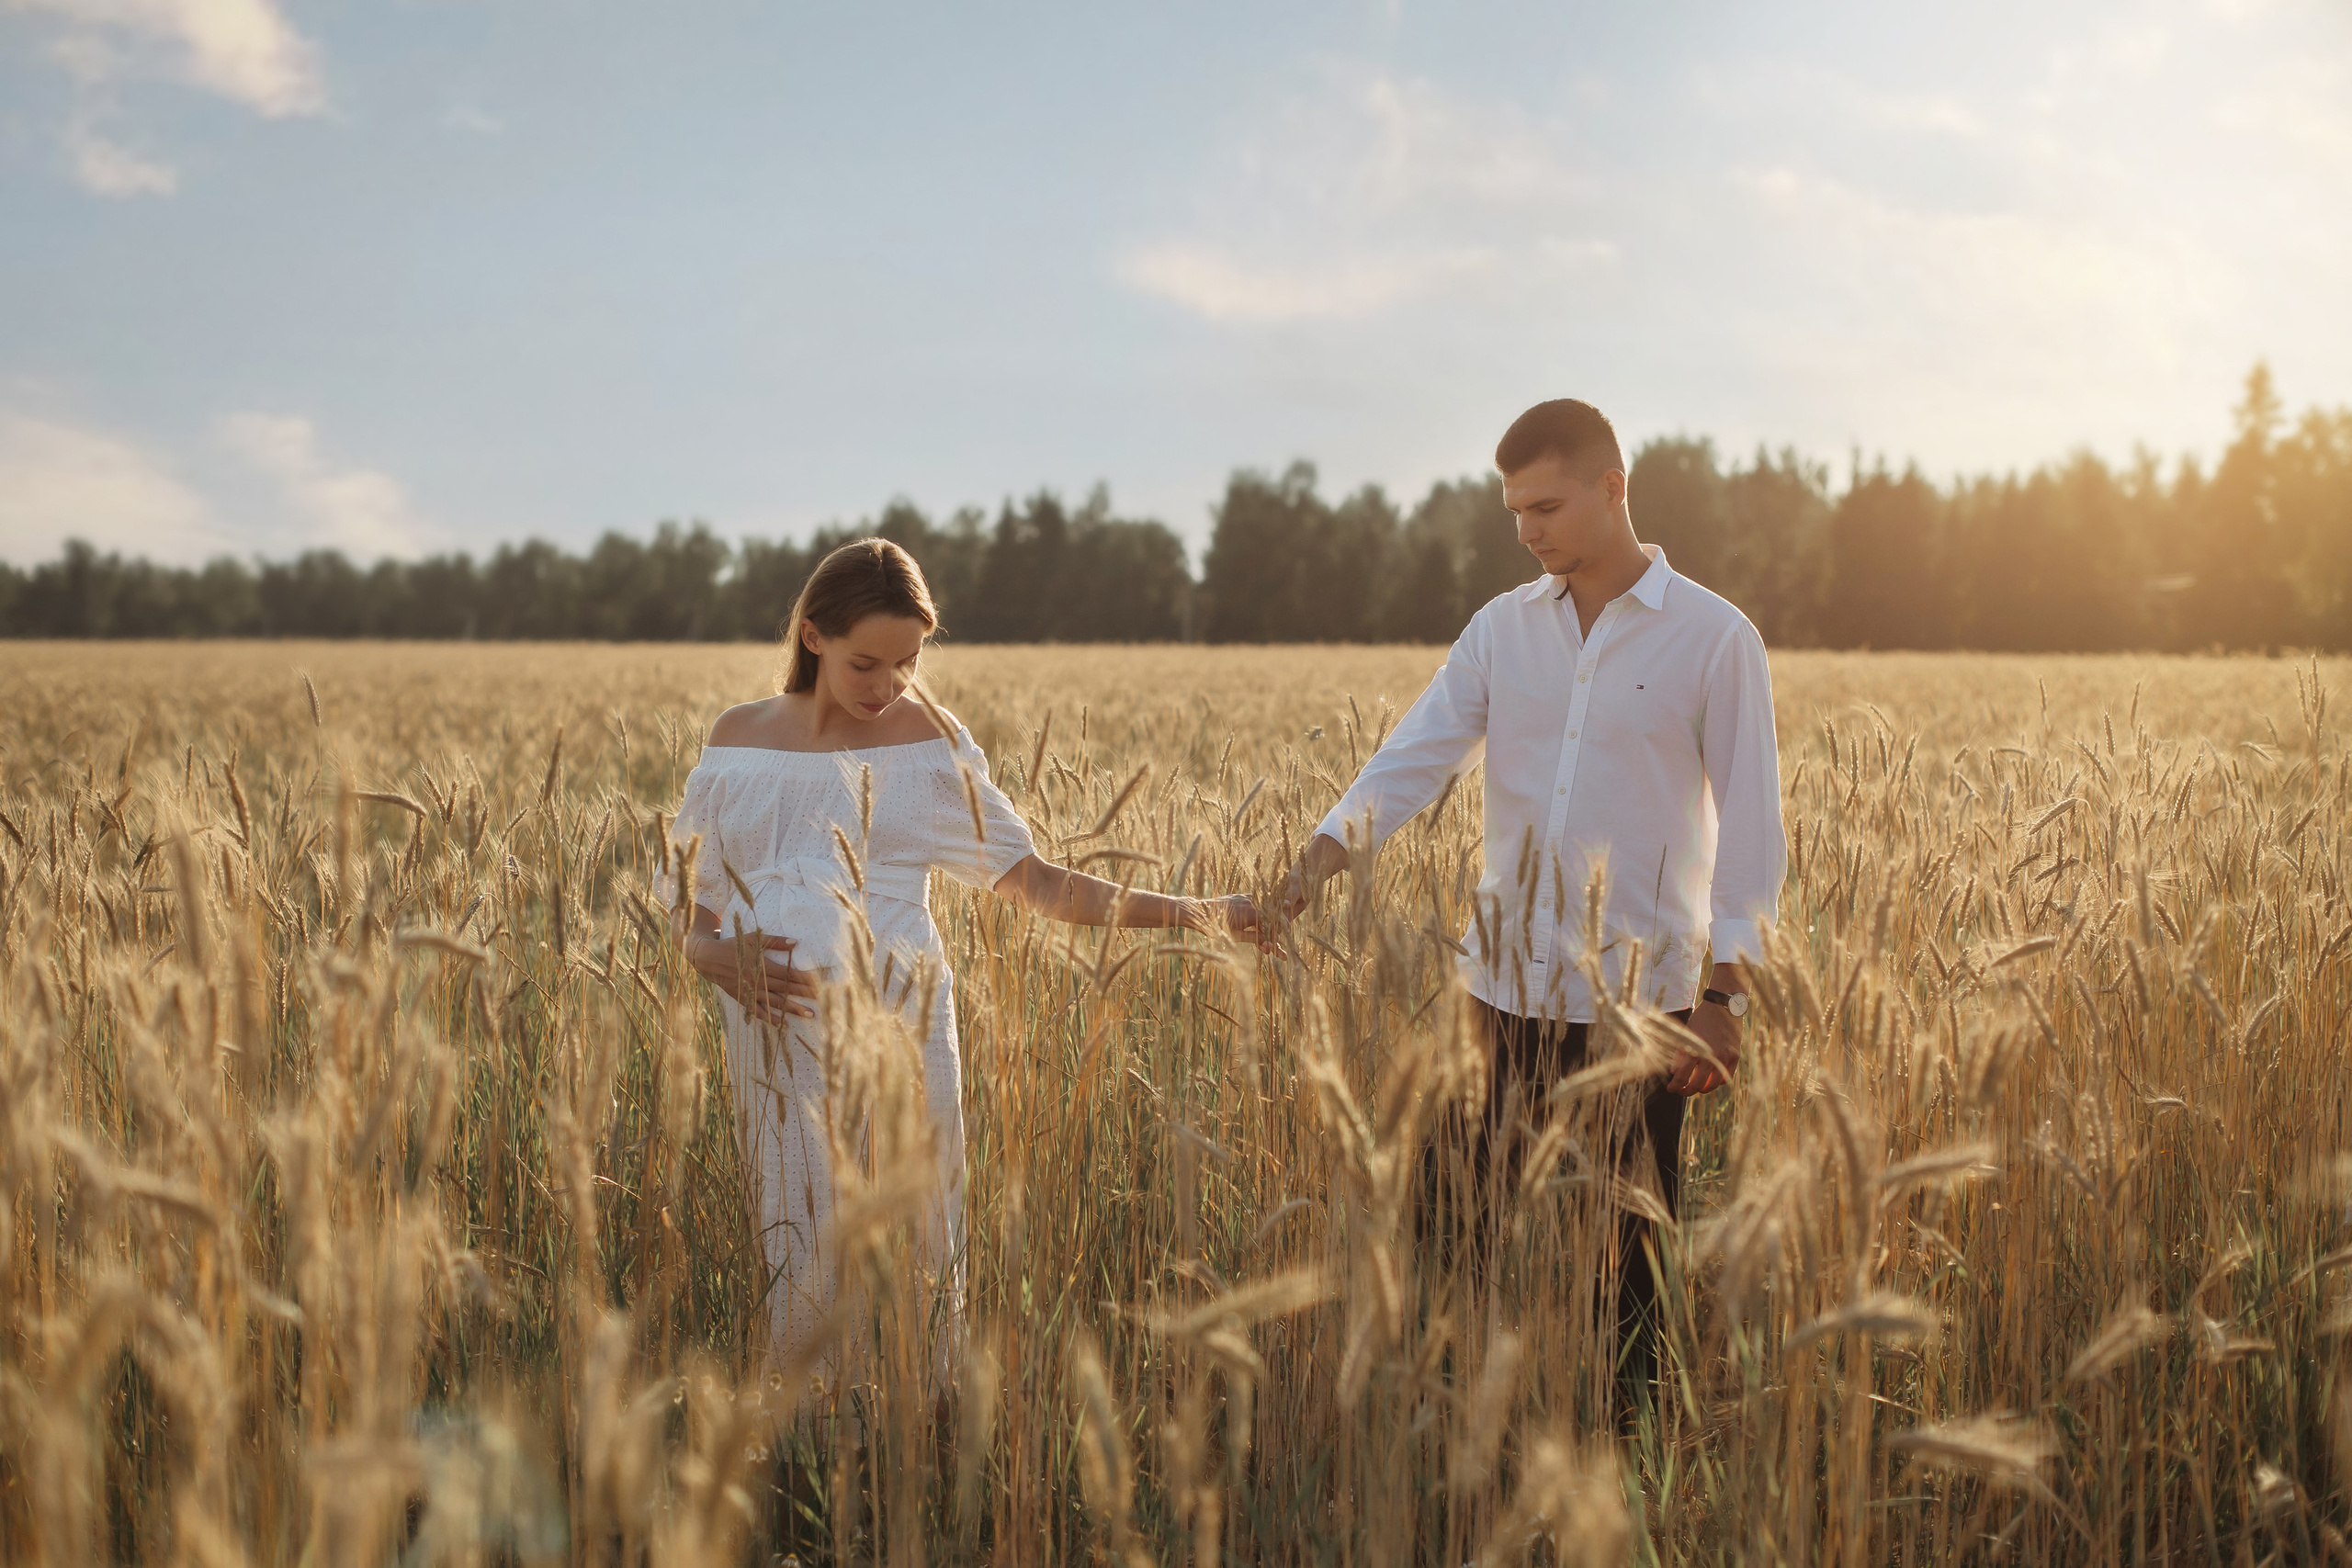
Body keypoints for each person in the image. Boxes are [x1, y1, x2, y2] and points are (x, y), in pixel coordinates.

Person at [1281, 398, 1787, 1410]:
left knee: (1626, 1261)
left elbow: (1751, 826)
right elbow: (1415, 756)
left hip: (1639, 1008)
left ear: (1613, 488)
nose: (1526, 530)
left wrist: (1727, 995)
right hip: (1499, 990)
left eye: (1546, 507)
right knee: (1445, 1235)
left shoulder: (1714, 639)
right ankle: (1444, 1432)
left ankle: (1622, 1450)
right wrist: (1314, 864)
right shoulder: (1500, 631)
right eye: (1514, 511)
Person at [665, 537, 1257, 1374]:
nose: (888, 686)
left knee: (918, 1231)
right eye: (866, 663)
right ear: (813, 635)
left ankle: (925, 1418)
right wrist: (706, 952)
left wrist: (1198, 913)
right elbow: (691, 901)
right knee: (800, 1235)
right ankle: (817, 1432)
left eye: (907, 662)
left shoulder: (927, 741)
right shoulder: (738, 737)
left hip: (901, 1019)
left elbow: (1037, 882)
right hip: (777, 1028)